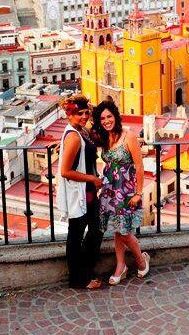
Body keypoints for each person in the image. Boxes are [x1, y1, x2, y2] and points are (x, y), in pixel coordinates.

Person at [90, 98, 150, 285]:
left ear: (115, 116)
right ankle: (121, 266)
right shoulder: (104, 138)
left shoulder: (128, 136)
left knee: (123, 230)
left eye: (109, 116)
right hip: (109, 189)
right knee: (117, 229)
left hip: (125, 190)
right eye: (102, 118)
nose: (106, 121)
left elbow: (139, 166)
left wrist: (138, 193)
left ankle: (141, 260)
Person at [57, 94, 104, 289]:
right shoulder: (75, 137)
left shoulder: (81, 131)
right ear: (69, 115)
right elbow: (65, 171)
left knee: (96, 229)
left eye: (86, 113)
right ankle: (78, 279)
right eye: (79, 114)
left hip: (88, 193)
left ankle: (85, 271)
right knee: (76, 235)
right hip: (81, 194)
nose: (84, 116)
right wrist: (92, 178)